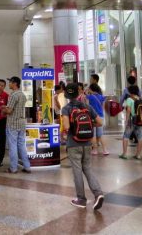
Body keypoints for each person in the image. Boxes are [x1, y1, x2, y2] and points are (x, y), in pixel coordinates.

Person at [61, 82, 104, 210]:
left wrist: (70, 128)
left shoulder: (66, 108)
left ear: (67, 95)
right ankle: (98, 193)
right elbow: (100, 122)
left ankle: (81, 199)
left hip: (73, 144)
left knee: (77, 171)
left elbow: (67, 126)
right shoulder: (87, 107)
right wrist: (89, 125)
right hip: (87, 143)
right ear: (78, 93)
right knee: (88, 169)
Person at [2, 76, 31, 174]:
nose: (9, 84)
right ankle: (27, 167)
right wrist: (7, 107)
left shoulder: (13, 95)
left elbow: (9, 111)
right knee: (21, 145)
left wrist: (3, 109)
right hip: (21, 123)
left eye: (10, 82)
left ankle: (13, 168)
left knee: (13, 146)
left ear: (14, 83)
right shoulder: (22, 94)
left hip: (13, 124)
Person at [119, 85, 142, 160]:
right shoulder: (141, 99)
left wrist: (126, 121)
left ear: (130, 91)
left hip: (132, 120)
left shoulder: (129, 99)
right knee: (140, 137)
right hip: (139, 120)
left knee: (126, 136)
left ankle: (124, 154)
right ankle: (138, 155)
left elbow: (128, 110)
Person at [87, 83, 109, 155]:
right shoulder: (101, 97)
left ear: (91, 89)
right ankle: (105, 150)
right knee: (100, 134)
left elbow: (87, 106)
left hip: (93, 117)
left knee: (93, 135)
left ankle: (95, 150)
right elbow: (103, 107)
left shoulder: (89, 97)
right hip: (101, 116)